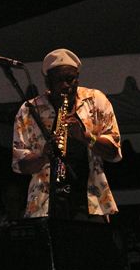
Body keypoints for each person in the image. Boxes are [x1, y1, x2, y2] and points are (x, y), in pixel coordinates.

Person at [12, 48, 122, 221]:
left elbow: (114, 153)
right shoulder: (29, 110)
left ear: (78, 77)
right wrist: (44, 156)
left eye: (70, 79)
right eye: (58, 80)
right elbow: (20, 165)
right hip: (45, 204)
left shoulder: (96, 101)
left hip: (91, 203)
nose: (65, 86)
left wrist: (86, 137)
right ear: (48, 82)